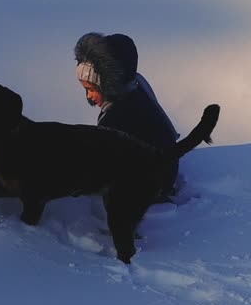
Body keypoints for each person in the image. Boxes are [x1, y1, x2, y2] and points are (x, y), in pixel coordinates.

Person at [74, 32, 181, 196]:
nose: (89, 96)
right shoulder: (137, 90)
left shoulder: (118, 116)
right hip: (161, 173)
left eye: (91, 89)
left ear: (107, 84)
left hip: (147, 187)